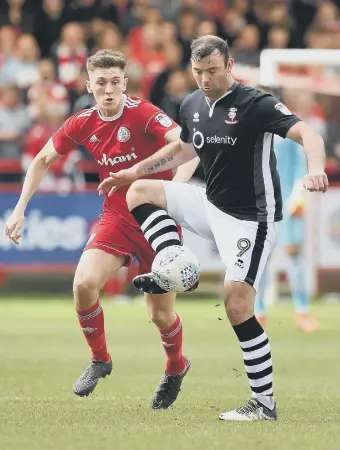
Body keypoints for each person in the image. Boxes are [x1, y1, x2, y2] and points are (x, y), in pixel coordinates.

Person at [98, 36, 329, 421]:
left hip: (251, 218)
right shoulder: (192, 104)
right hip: (211, 204)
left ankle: (264, 404)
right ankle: (173, 262)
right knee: (139, 191)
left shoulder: (257, 103)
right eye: (198, 72)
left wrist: (315, 168)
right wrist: (134, 170)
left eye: (212, 71)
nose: (205, 79)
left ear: (230, 65)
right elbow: (185, 149)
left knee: (237, 305)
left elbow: (309, 134)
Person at [5, 49, 199, 409]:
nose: (109, 90)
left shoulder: (143, 113)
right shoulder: (82, 123)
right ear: (89, 86)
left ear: (125, 83)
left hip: (157, 219)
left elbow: (186, 146)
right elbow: (43, 159)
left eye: (115, 82)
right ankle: (100, 359)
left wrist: (176, 188)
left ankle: (176, 365)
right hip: (117, 217)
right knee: (83, 284)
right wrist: (19, 210)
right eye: (101, 83)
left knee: (159, 314)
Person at [254, 116, 320, 332]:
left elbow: (301, 168)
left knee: (293, 255)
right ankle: (259, 313)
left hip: (288, 204)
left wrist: (299, 198)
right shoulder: (252, 134)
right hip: (261, 206)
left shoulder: (288, 134)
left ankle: (302, 312)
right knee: (261, 260)